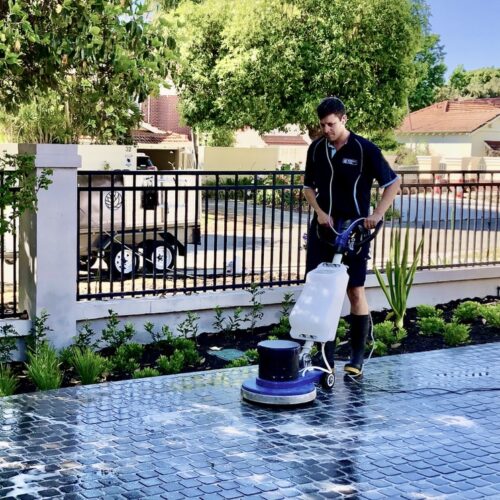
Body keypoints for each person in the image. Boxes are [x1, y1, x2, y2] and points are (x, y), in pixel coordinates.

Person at [303, 97, 401, 377]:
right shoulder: (316, 149)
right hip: (323, 229)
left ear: (344, 119)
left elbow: (392, 183)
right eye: (322, 125)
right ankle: (325, 358)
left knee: (354, 290)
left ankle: (357, 356)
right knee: (321, 291)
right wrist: (319, 212)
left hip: (355, 231)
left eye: (331, 124)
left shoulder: (364, 149)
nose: (327, 130)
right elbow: (308, 187)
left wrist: (377, 215)